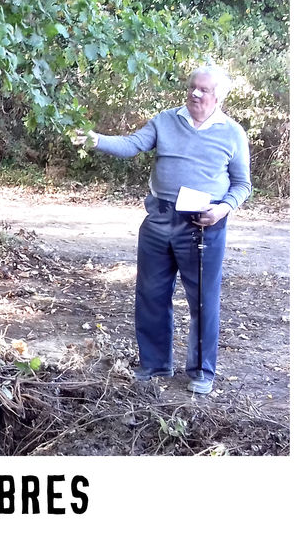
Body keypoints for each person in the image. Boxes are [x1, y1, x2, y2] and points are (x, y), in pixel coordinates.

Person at [73, 64, 251, 394]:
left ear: (219, 97)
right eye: (192, 87)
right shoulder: (166, 120)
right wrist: (95, 140)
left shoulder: (232, 133)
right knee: (151, 295)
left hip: (202, 225)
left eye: (204, 90)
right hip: (158, 220)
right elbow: (131, 145)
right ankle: (155, 364)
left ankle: (201, 371)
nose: (195, 93)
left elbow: (242, 185)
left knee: (202, 301)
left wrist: (222, 209)